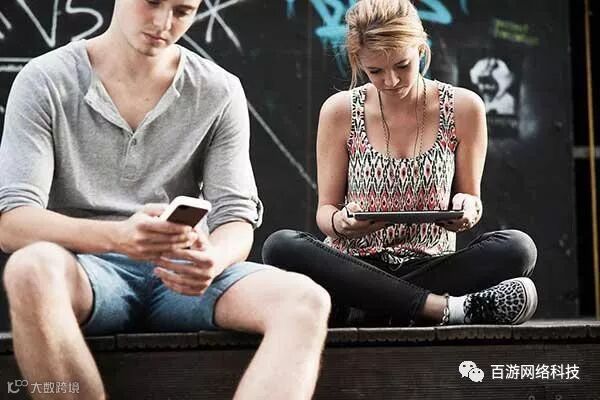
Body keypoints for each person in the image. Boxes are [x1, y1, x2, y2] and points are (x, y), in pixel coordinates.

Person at [0, 1, 330, 399]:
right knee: (29, 268)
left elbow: (236, 219)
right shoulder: (46, 79)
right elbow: (12, 223)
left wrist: (214, 259)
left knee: (306, 300)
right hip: (88, 271)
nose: (163, 22)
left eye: (182, 10)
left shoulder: (218, 88)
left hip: (182, 274)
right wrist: (118, 238)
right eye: (152, 2)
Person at [263, 0, 537, 327]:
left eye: (402, 66)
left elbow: (471, 199)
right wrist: (341, 223)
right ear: (358, 62)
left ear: (421, 48)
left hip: (428, 265)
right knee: (280, 245)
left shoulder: (464, 108)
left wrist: (466, 209)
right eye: (375, 71)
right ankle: (442, 308)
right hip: (354, 265)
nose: (391, 81)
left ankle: (374, 306)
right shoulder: (340, 111)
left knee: (518, 248)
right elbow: (325, 211)